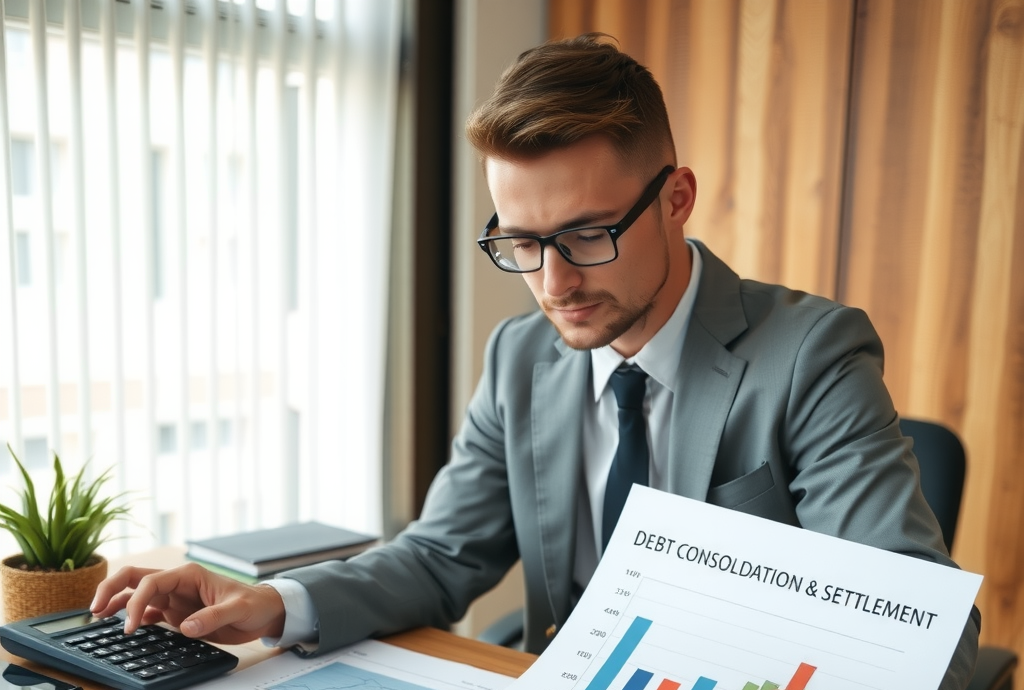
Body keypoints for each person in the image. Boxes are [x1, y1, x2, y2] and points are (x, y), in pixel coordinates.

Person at [91, 33, 979, 686]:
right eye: (519, 242)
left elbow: (923, 633)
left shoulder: (810, 356)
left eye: (588, 234)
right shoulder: (522, 358)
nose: (552, 283)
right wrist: (276, 604)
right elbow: (441, 557)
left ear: (676, 199)